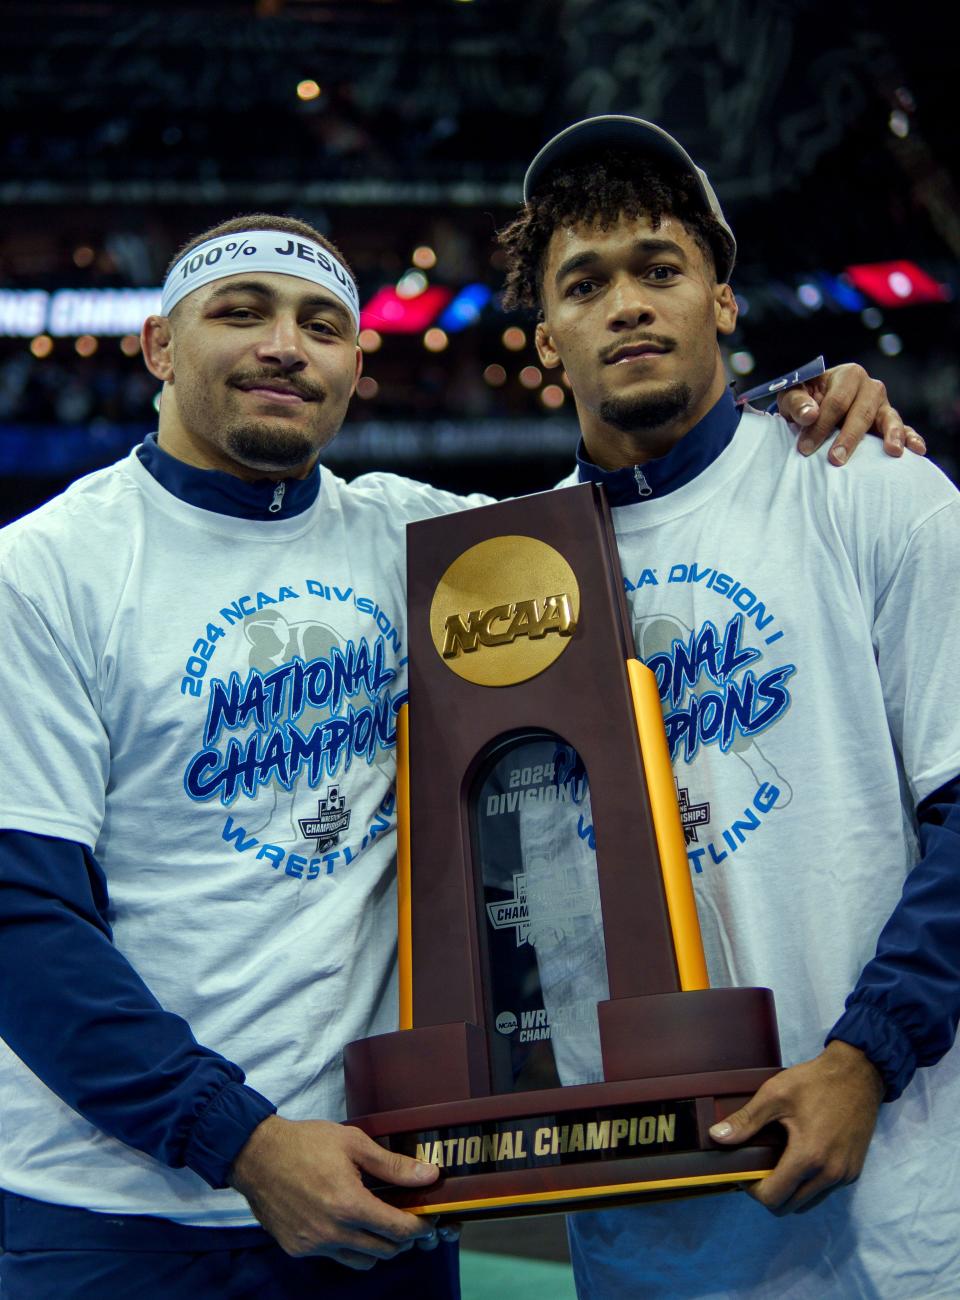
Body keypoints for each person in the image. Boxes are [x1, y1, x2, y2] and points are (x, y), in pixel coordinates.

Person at [0, 207, 923, 1300]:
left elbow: (649, 507)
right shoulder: (45, 571)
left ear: (355, 363)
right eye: (239, 313)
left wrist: (789, 412)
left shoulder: (422, 545)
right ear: (160, 344)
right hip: (126, 1209)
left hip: (386, 1188)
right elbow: (24, 921)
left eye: (320, 324)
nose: (282, 346)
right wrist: (240, 1143)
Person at [494, 115, 960, 1297]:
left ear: (723, 301)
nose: (630, 304)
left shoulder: (868, 485)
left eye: (661, 268)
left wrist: (866, 1058)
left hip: (898, 1183)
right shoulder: (508, 581)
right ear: (547, 335)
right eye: (587, 283)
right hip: (655, 1220)